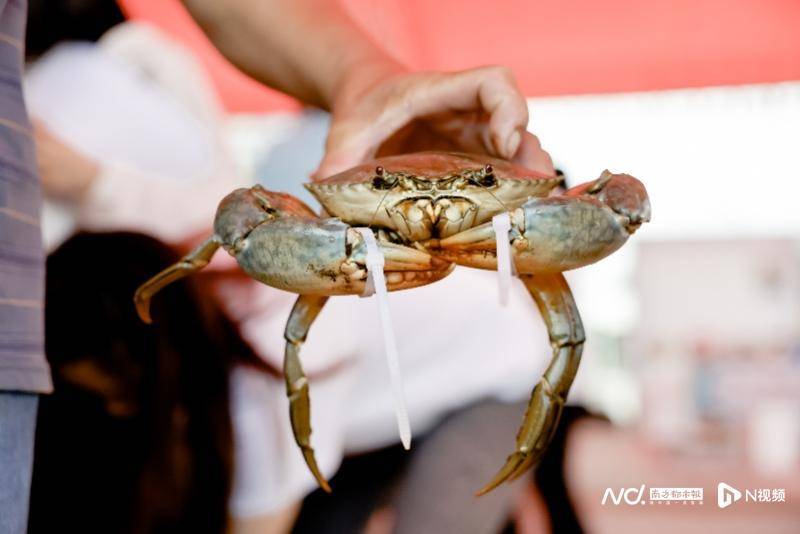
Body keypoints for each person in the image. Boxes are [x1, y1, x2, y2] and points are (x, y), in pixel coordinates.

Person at [23, 0, 558, 532]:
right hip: (358, 399)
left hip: (495, 376)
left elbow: (259, 523)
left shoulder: (269, 338)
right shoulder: (181, 277)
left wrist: (93, 181)